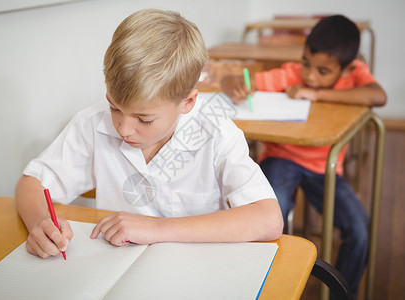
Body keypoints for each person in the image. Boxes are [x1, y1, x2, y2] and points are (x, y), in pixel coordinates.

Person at [15, 9, 283, 261]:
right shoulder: (91, 124)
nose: (123, 128)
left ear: (188, 102)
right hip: (115, 264)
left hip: (199, 267)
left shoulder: (217, 133)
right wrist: (39, 221)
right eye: (114, 107)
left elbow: (269, 220)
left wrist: (157, 229)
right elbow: (33, 183)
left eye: (144, 119)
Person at [221, 15, 387, 296]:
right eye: (307, 63)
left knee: (360, 230)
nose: (309, 75)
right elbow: (231, 79)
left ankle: (343, 292)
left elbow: (378, 96)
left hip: (325, 168)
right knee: (271, 220)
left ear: (348, 70)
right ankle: (266, 287)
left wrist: (315, 94)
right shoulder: (291, 73)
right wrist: (234, 84)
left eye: (323, 71)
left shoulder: (355, 75)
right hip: (280, 158)